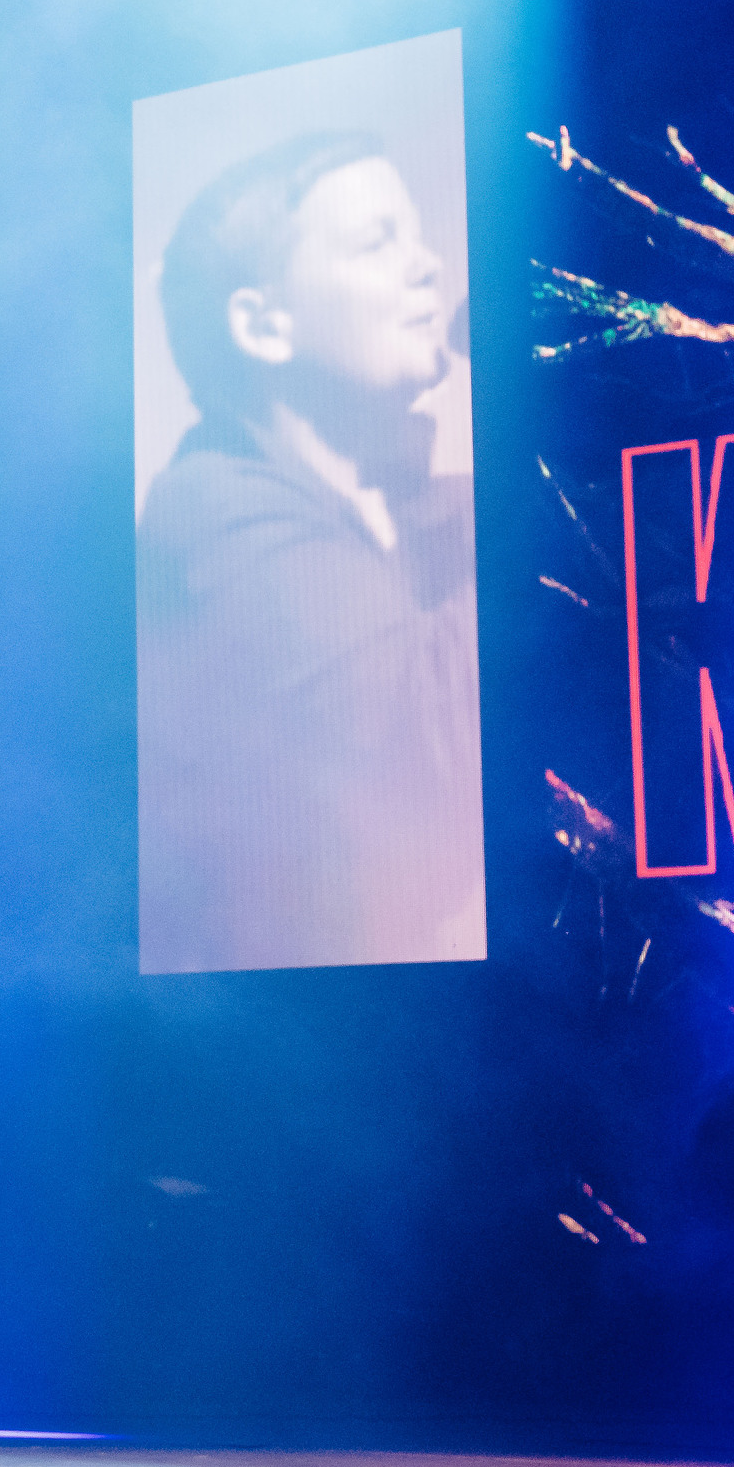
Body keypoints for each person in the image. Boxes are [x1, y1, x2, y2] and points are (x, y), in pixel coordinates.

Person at [137, 131, 483, 974]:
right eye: (376, 243)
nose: (429, 266)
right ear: (262, 325)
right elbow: (427, 743)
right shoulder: (212, 509)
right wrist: (534, 412)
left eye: (417, 236)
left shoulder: (398, 509)